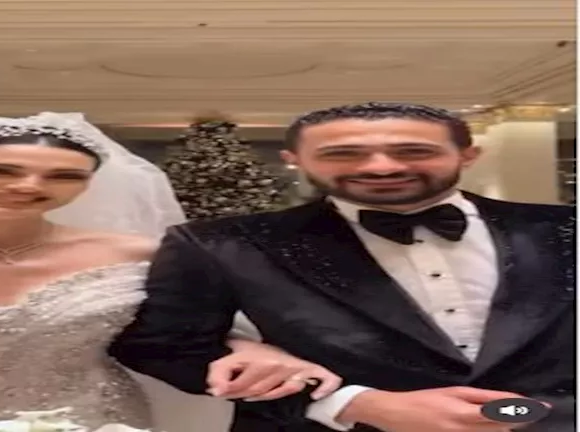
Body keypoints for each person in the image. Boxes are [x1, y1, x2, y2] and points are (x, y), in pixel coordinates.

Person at [0, 113, 341, 432]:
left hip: (95, 420)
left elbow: (181, 328)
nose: (28, 186)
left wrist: (248, 348)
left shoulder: (141, 254)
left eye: (63, 176)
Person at [110, 102, 575, 432]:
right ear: (295, 161)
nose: (381, 167)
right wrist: (354, 403)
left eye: (414, 151)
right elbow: (161, 347)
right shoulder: (221, 243)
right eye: (342, 153)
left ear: (468, 155)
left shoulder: (566, 228)